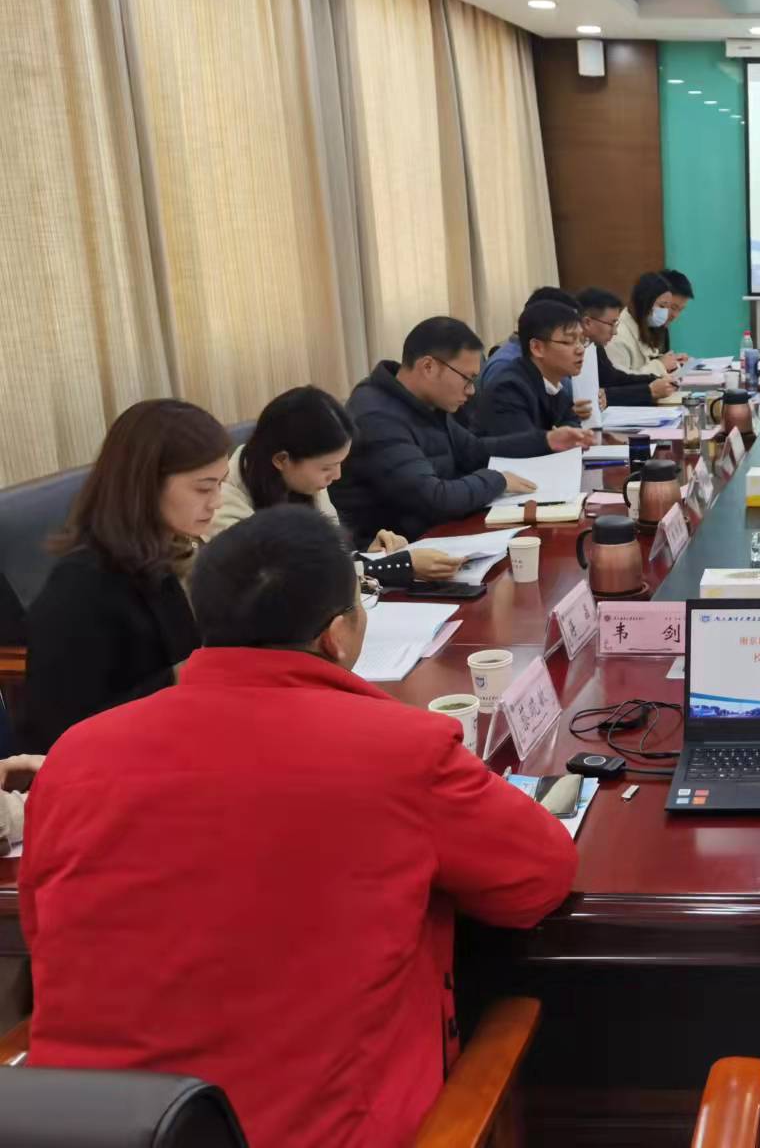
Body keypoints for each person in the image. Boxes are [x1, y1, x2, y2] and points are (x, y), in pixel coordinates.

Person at [21, 506, 578, 1148]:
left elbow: (41, 930)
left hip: (84, 1128)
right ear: (337, 635)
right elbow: (537, 879)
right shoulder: (399, 751)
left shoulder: (76, 754)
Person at [22, 399, 229, 751]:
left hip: (184, 736)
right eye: (203, 488)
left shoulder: (177, 550)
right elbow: (64, 731)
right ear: (146, 484)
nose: (217, 502)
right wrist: (182, 677)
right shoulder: (81, 589)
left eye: (221, 485)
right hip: (116, 764)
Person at [332, 317, 567, 542]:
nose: (471, 391)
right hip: (403, 551)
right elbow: (435, 499)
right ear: (428, 367)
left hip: (443, 534)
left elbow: (475, 451)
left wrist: (545, 441)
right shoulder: (376, 417)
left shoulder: (424, 402)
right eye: (467, 378)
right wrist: (498, 480)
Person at [207, 386, 458, 586]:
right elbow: (286, 582)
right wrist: (396, 566)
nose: (336, 476)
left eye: (339, 464)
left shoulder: (304, 481)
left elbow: (330, 557)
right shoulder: (223, 504)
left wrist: (370, 554)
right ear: (282, 460)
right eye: (327, 468)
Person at [473, 300, 599, 446]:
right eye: (568, 341)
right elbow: (523, 446)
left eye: (582, 340)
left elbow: (572, 422)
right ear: (537, 348)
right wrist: (553, 438)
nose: (580, 349)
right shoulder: (509, 388)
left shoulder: (554, 385)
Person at [574, 285, 678, 406]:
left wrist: (653, 379)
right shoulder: (575, 352)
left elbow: (613, 378)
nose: (615, 332)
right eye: (611, 324)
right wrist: (649, 391)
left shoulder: (594, 346)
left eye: (616, 324)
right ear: (587, 322)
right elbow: (599, 396)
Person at [608, 270, 690, 377]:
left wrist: (672, 363)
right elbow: (620, 381)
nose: (675, 315)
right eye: (664, 306)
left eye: (681, 309)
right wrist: (659, 366)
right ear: (645, 302)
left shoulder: (655, 327)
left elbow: (648, 360)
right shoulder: (616, 335)